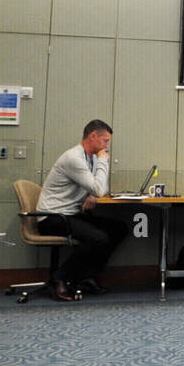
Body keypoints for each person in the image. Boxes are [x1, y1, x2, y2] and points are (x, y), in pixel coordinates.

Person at [36, 120, 128, 300]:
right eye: (105, 141)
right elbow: (99, 188)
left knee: (119, 229)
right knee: (99, 238)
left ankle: (86, 276)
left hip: (71, 214)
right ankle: (59, 278)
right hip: (52, 218)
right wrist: (103, 162)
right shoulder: (74, 158)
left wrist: (93, 195)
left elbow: (100, 188)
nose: (106, 147)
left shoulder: (91, 158)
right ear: (93, 136)